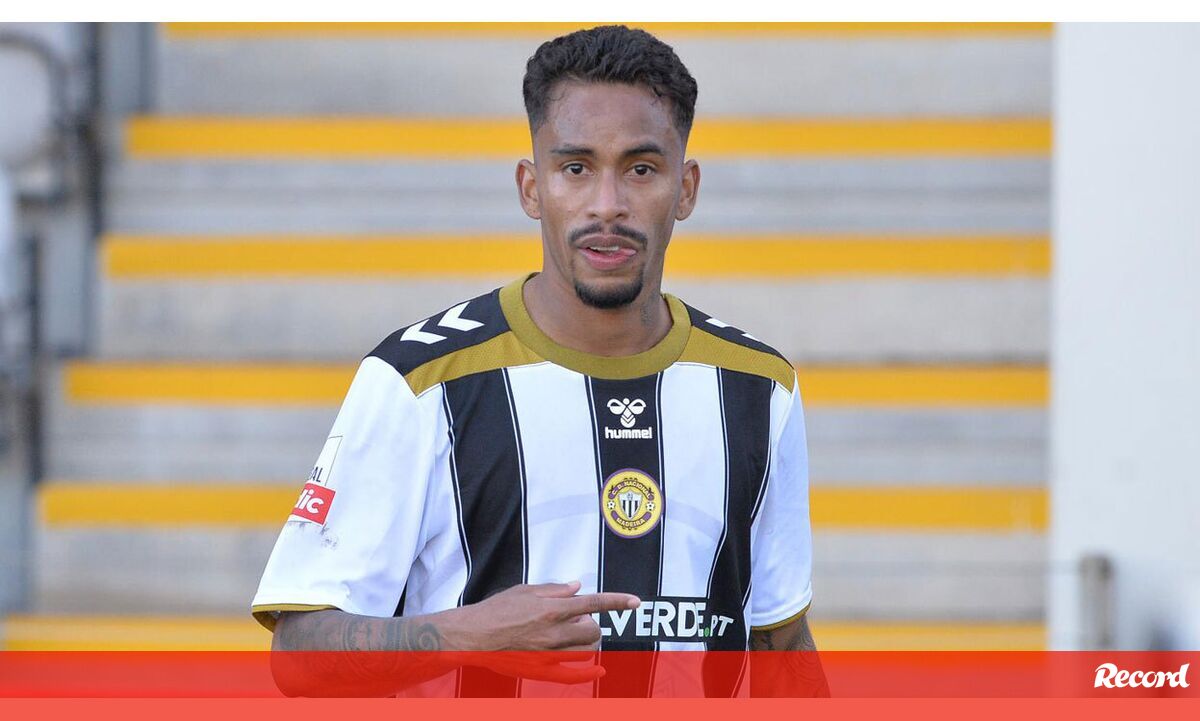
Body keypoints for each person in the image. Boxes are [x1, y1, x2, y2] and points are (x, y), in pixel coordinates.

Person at [251, 24, 822, 697]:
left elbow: (783, 642)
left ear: (686, 188)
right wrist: (468, 634)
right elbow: (299, 653)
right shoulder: (420, 381)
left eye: (640, 169)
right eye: (576, 168)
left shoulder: (757, 388)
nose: (607, 206)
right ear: (531, 187)